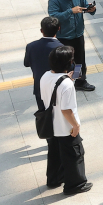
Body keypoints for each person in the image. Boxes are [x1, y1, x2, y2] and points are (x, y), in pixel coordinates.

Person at [40, 46, 92, 194]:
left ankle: (54, 179)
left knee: (55, 155)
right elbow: (66, 110)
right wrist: (75, 126)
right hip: (65, 128)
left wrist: (66, 79)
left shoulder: (45, 76)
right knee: (75, 155)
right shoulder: (66, 84)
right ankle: (75, 185)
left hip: (51, 126)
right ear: (68, 63)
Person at [47, 0, 97, 91]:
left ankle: (79, 81)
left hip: (78, 34)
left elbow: (84, 6)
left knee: (80, 61)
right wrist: (70, 11)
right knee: (64, 62)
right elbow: (53, 17)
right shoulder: (54, 0)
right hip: (63, 37)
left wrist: (91, 9)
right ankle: (64, 84)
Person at [24, 16, 63, 110]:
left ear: (41, 30)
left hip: (39, 86)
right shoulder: (62, 48)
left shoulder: (31, 46)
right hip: (57, 87)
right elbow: (71, 68)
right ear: (58, 29)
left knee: (43, 114)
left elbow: (26, 63)